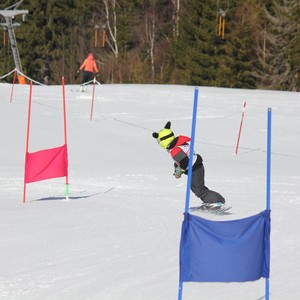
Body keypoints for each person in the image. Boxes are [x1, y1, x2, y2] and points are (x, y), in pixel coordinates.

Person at [152, 121, 225, 209]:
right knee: (195, 188)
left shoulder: (175, 150)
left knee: (199, 190)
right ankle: (210, 201)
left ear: (163, 141)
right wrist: (177, 170)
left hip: (195, 169)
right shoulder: (178, 143)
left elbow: (184, 162)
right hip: (196, 167)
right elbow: (179, 161)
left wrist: (179, 171)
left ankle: (217, 201)